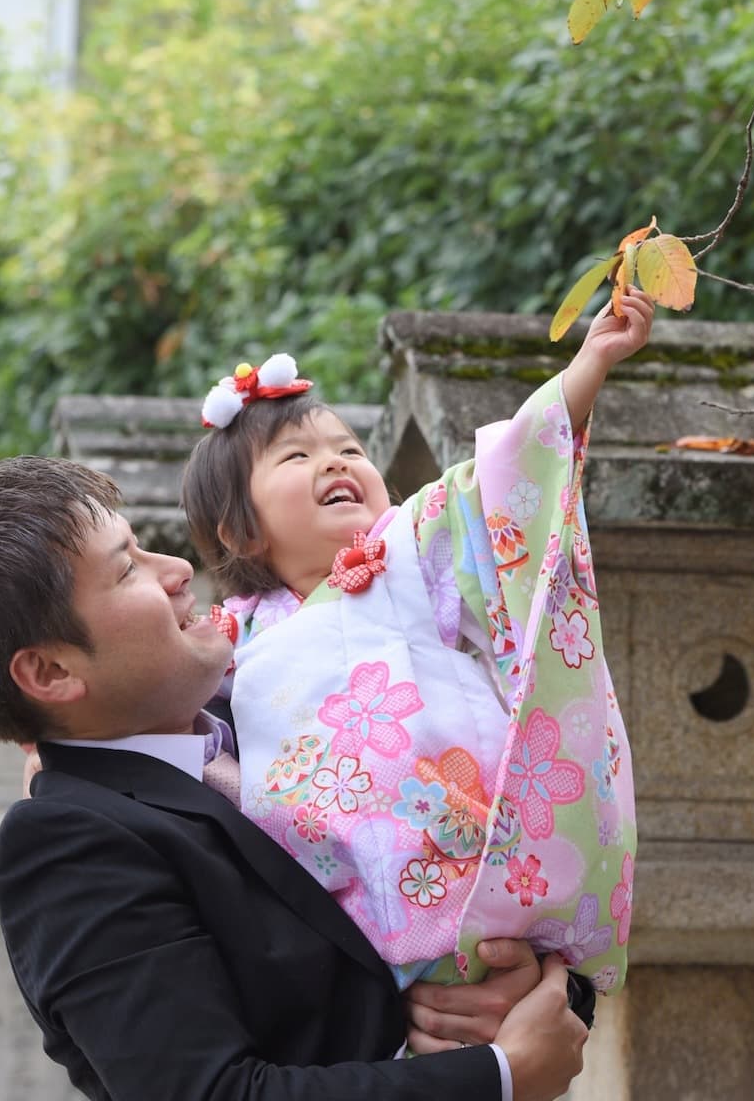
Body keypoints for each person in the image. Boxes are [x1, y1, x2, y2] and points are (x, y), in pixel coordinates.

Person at [0, 454, 590, 1101]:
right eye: (126, 570)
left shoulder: (287, 716)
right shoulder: (69, 842)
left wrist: (528, 990)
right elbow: (211, 1093)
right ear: (51, 671)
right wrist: (497, 1076)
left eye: (142, 547)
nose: (177, 569)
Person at [181, 291, 653, 999]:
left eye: (349, 449)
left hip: (468, 873)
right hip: (344, 919)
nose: (336, 462)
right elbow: (176, 724)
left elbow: (495, 485)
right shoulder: (230, 636)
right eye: (297, 455)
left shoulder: (406, 551)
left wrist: (587, 368)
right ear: (241, 532)